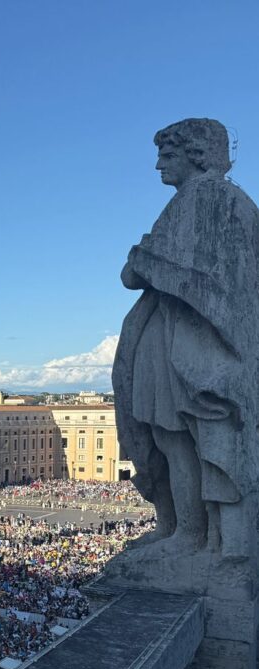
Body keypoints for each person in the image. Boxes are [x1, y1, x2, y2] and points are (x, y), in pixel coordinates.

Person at [113, 118, 259, 561]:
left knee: (198, 441)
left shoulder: (215, 198)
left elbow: (223, 284)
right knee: (169, 440)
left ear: (196, 154)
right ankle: (179, 527)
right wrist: (145, 263)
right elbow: (133, 273)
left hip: (196, 344)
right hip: (168, 337)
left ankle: (201, 539)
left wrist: (147, 261)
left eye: (167, 155)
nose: (158, 165)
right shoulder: (186, 204)